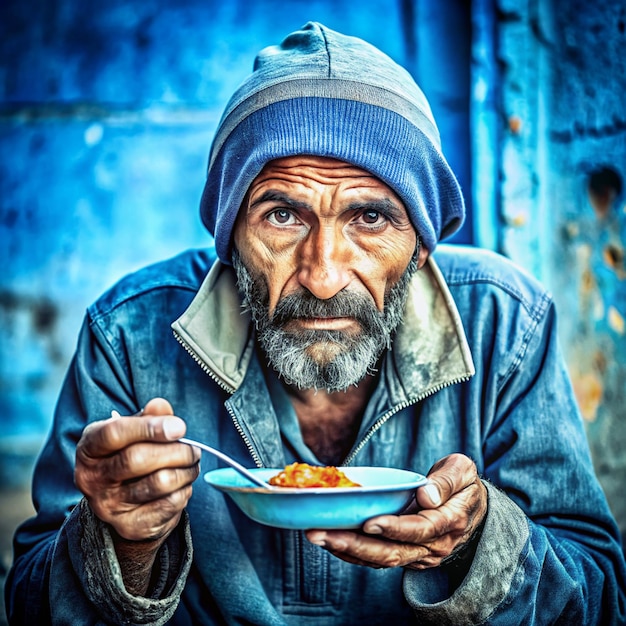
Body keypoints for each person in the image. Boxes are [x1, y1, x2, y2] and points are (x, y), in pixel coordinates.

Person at [6, 21, 626, 626]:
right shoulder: (128, 333)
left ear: (422, 244)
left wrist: (478, 545)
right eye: (282, 216)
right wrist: (121, 546)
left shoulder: (504, 322)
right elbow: (27, 603)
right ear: (231, 238)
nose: (323, 275)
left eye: (371, 219)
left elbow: (600, 594)